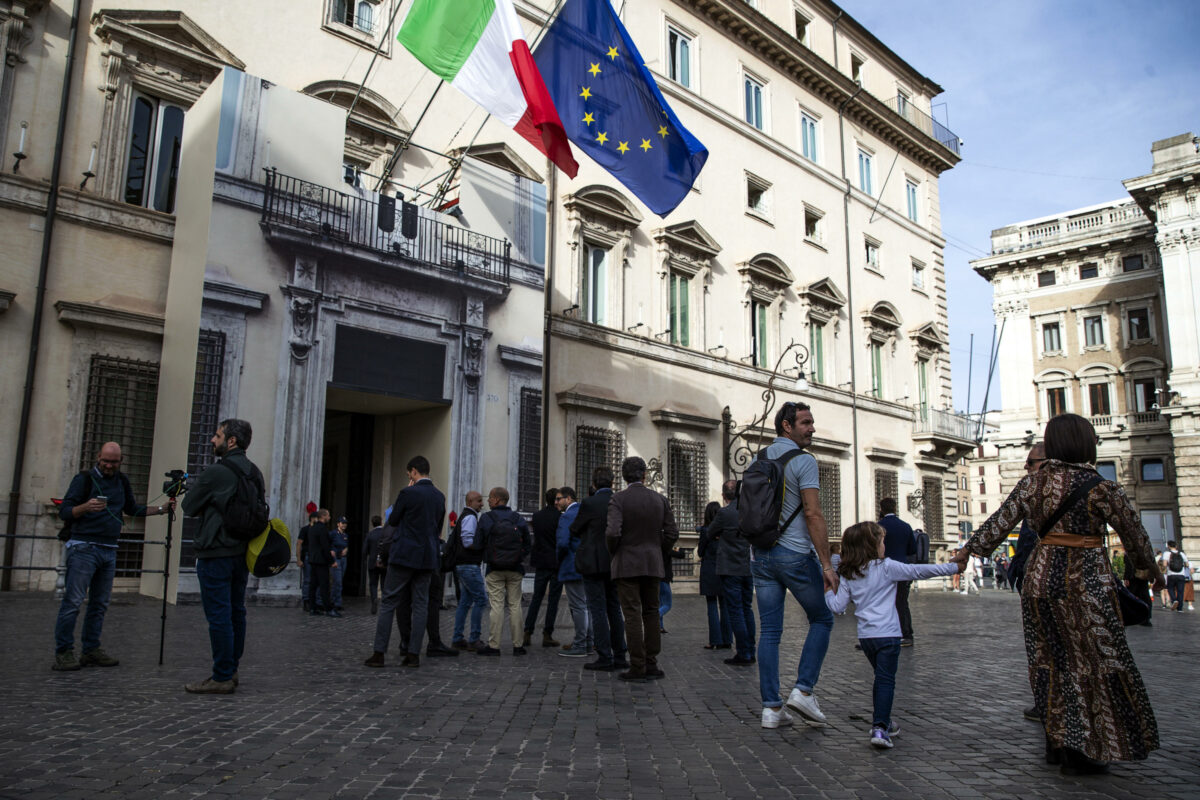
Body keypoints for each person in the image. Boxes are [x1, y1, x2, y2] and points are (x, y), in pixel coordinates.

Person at [961, 413, 1163, 775]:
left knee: (1049, 662)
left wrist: (966, 552)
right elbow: (1135, 536)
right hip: (1086, 581)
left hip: (1040, 581)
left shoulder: (1031, 484)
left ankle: (1058, 743)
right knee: (1097, 661)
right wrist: (1151, 573)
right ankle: (1087, 748)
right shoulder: (1101, 487)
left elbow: (996, 525)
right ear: (1085, 444)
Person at [826, 521, 963, 748]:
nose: (884, 546)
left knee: (881, 678)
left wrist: (827, 591)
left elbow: (837, 605)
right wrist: (953, 567)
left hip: (866, 638)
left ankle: (885, 722)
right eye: (881, 542)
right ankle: (880, 728)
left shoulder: (850, 573)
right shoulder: (887, 567)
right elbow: (919, 571)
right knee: (886, 680)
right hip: (888, 635)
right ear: (871, 545)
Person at [53, 441, 174, 671]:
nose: (109, 465)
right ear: (98, 457)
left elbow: (131, 509)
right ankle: (63, 652)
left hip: (109, 549)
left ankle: (91, 650)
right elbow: (65, 511)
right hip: (83, 547)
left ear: (121, 461)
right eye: (105, 461)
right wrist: (85, 507)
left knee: (99, 604)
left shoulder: (122, 481)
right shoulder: (84, 479)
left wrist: (161, 509)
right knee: (73, 602)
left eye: (114, 462)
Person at [751, 402, 836, 730]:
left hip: (761, 555)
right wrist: (827, 564)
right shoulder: (803, 460)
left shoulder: (759, 458)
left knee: (770, 631)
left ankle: (771, 708)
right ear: (787, 426)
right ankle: (803, 690)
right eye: (806, 422)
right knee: (822, 618)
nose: (812, 428)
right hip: (794, 554)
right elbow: (813, 513)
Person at [180, 418, 262, 694]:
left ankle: (222, 675)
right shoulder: (254, 472)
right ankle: (231, 668)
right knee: (236, 611)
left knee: (219, 615)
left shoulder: (217, 471)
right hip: (242, 552)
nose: (212, 440)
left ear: (231, 441)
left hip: (216, 551)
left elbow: (189, 506)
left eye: (217, 436)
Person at [363, 456, 445, 669]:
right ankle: (413, 654)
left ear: (414, 471)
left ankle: (379, 653)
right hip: (427, 557)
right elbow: (438, 526)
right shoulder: (439, 496)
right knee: (421, 605)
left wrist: (407, 491)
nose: (409, 476)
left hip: (404, 555)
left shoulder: (408, 493)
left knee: (389, 601)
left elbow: (393, 520)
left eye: (409, 473)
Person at [605, 456, 679, 682]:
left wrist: (615, 551)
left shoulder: (618, 499)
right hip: (652, 563)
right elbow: (672, 533)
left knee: (632, 614)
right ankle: (651, 662)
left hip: (627, 563)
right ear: (644, 475)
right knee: (651, 612)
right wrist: (658, 549)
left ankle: (637, 665)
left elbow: (612, 532)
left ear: (624, 476)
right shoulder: (659, 499)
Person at [572, 467, 628, 671]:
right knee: (614, 608)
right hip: (614, 561)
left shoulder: (589, 503)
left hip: (593, 562)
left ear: (594, 483)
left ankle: (604, 655)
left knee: (597, 609)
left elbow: (575, 528)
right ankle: (620, 654)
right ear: (612, 482)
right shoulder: (619, 501)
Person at [475, 487, 531, 656]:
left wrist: (487, 555)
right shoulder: (517, 518)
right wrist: (518, 557)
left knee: (497, 606)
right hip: (515, 568)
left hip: (494, 569)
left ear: (497, 499)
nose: (488, 501)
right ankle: (518, 645)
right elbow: (528, 544)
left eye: (490, 498)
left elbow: (478, 543)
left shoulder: (486, 518)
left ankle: (494, 646)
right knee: (515, 606)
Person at [714, 480, 755, 666]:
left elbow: (710, 532)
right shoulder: (750, 511)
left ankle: (743, 653)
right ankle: (750, 650)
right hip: (748, 566)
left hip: (731, 567)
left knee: (736, 610)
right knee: (747, 608)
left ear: (724, 495)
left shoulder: (724, 513)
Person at [523, 488, 564, 647]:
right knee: (553, 600)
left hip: (541, 561)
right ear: (556, 500)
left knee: (537, 598)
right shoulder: (560, 518)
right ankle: (547, 634)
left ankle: (527, 632)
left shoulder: (537, 516)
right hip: (556, 563)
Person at [1006, 444, 1047, 596]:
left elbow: (1002, 520)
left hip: (1039, 574)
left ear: (1047, 462)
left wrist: (966, 552)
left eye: (1030, 462)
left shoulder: (1030, 485)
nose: (1025, 466)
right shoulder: (1094, 483)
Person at [555, 486, 590, 658]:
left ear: (568, 498)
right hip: (587, 564)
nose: (556, 502)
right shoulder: (585, 512)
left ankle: (580, 643)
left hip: (572, 565)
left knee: (578, 606)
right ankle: (589, 641)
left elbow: (562, 543)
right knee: (587, 606)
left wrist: (559, 559)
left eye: (558, 499)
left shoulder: (567, 516)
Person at [877, 498, 916, 647]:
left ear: (882, 509)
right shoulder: (906, 526)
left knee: (881, 602)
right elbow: (912, 549)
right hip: (902, 569)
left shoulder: (878, 527)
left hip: (883, 570)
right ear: (895, 508)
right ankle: (906, 634)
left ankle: (882, 634)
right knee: (901, 603)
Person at [450, 491, 487, 651]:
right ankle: (474, 638)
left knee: (464, 602)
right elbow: (467, 541)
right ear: (470, 501)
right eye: (479, 501)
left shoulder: (464, 516)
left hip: (462, 564)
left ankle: (457, 638)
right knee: (481, 600)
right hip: (469, 565)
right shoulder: (470, 517)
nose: (482, 504)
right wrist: (481, 546)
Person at [696, 500, 731, 651]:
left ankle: (715, 639)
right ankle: (727, 639)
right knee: (725, 606)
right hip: (725, 568)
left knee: (712, 606)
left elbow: (700, 552)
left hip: (710, 570)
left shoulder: (706, 531)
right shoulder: (725, 530)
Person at [304, 510, 336, 616]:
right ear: (323, 516)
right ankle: (328, 609)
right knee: (324, 585)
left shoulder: (312, 528)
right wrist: (331, 561)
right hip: (321, 561)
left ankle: (312, 608)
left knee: (313, 585)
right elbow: (325, 546)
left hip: (313, 560)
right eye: (328, 515)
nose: (329, 517)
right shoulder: (322, 529)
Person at [362, 515, 385, 615]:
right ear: (381, 522)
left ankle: (374, 599)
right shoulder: (385, 533)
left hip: (372, 562)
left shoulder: (370, 534)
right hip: (384, 562)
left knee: (373, 584)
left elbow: (364, 550)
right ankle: (385, 602)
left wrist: (365, 559)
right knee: (384, 583)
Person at [297, 512, 317, 611]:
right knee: (307, 580)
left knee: (316, 580)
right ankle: (306, 600)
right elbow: (299, 544)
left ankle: (315, 600)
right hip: (308, 556)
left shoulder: (318, 530)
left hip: (316, 557)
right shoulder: (305, 529)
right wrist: (298, 559)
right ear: (312, 518)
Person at [330, 516, 350, 612]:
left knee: (339, 581)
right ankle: (336, 603)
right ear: (338, 524)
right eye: (342, 523)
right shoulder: (333, 534)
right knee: (337, 581)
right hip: (336, 559)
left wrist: (346, 550)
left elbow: (346, 545)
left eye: (345, 523)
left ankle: (334, 601)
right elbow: (329, 545)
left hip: (343, 559)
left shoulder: (345, 535)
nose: (344, 525)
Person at [1164, 541, 1190, 612]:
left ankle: (1174, 600)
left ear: (1168, 546)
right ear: (1176, 546)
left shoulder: (1167, 553)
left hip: (1171, 574)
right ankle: (1180, 608)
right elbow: (1187, 564)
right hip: (1181, 575)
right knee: (1180, 591)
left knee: (1170, 588)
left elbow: (1164, 564)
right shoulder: (1181, 554)